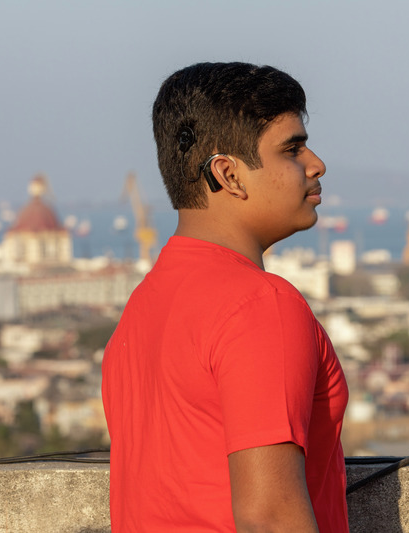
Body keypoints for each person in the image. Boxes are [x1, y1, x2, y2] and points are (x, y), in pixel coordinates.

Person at [102, 62, 349, 532]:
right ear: (228, 174)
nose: (315, 164)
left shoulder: (142, 308)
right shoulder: (260, 305)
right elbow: (270, 518)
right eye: (292, 148)